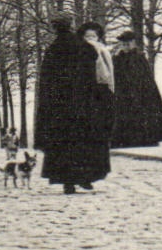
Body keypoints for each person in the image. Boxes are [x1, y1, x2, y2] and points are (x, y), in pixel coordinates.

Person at [33, 14, 111, 194]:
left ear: (55, 28)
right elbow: (94, 70)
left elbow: (46, 83)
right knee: (83, 140)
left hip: (61, 107)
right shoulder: (83, 46)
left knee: (64, 142)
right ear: (71, 25)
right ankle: (85, 177)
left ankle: (67, 181)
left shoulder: (53, 50)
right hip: (83, 103)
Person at [109, 31, 162, 147]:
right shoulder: (116, 60)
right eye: (123, 43)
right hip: (122, 95)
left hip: (140, 95)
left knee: (141, 118)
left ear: (133, 43)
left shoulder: (140, 58)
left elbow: (146, 79)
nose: (126, 46)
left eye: (128, 43)